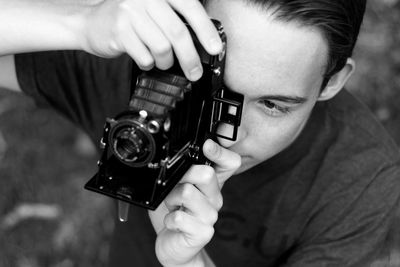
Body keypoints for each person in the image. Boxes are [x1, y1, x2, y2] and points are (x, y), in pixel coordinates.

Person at [0, 0, 399, 266]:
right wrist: (78, 25)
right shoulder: (130, 68)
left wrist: (187, 262)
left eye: (273, 105)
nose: (227, 135)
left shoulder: (363, 185)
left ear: (332, 82)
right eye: (213, 85)